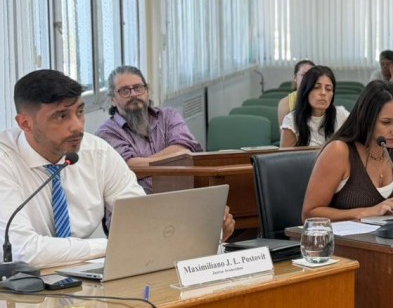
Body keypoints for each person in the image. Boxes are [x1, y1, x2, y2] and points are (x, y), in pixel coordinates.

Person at [0, 70, 235, 267]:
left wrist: (203, 233)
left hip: (92, 277)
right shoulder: (4, 160)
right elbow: (23, 252)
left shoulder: (97, 152)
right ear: (25, 123)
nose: (77, 126)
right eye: (61, 116)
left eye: (80, 112)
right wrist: (112, 245)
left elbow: (145, 220)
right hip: (20, 292)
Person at [302, 81, 393, 222]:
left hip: (385, 239)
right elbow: (309, 214)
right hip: (343, 241)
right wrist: (366, 212)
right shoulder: (338, 151)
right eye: (386, 122)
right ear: (366, 119)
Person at [95, 66, 202, 193]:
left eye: (138, 88)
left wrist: (142, 165)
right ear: (112, 99)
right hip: (140, 204)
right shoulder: (107, 133)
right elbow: (127, 169)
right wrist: (174, 158)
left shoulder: (168, 116)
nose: (133, 94)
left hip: (183, 195)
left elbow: (186, 148)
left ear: (147, 91)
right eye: (124, 91)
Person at [280, 65, 350, 147]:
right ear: (306, 91)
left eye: (328, 89)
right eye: (316, 87)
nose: (323, 93)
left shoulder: (341, 114)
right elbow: (285, 158)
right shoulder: (291, 120)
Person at [277, 59, 316, 126]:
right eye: (303, 75)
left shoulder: (321, 99)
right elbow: (283, 134)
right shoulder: (285, 103)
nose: (307, 79)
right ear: (295, 77)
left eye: (311, 76)